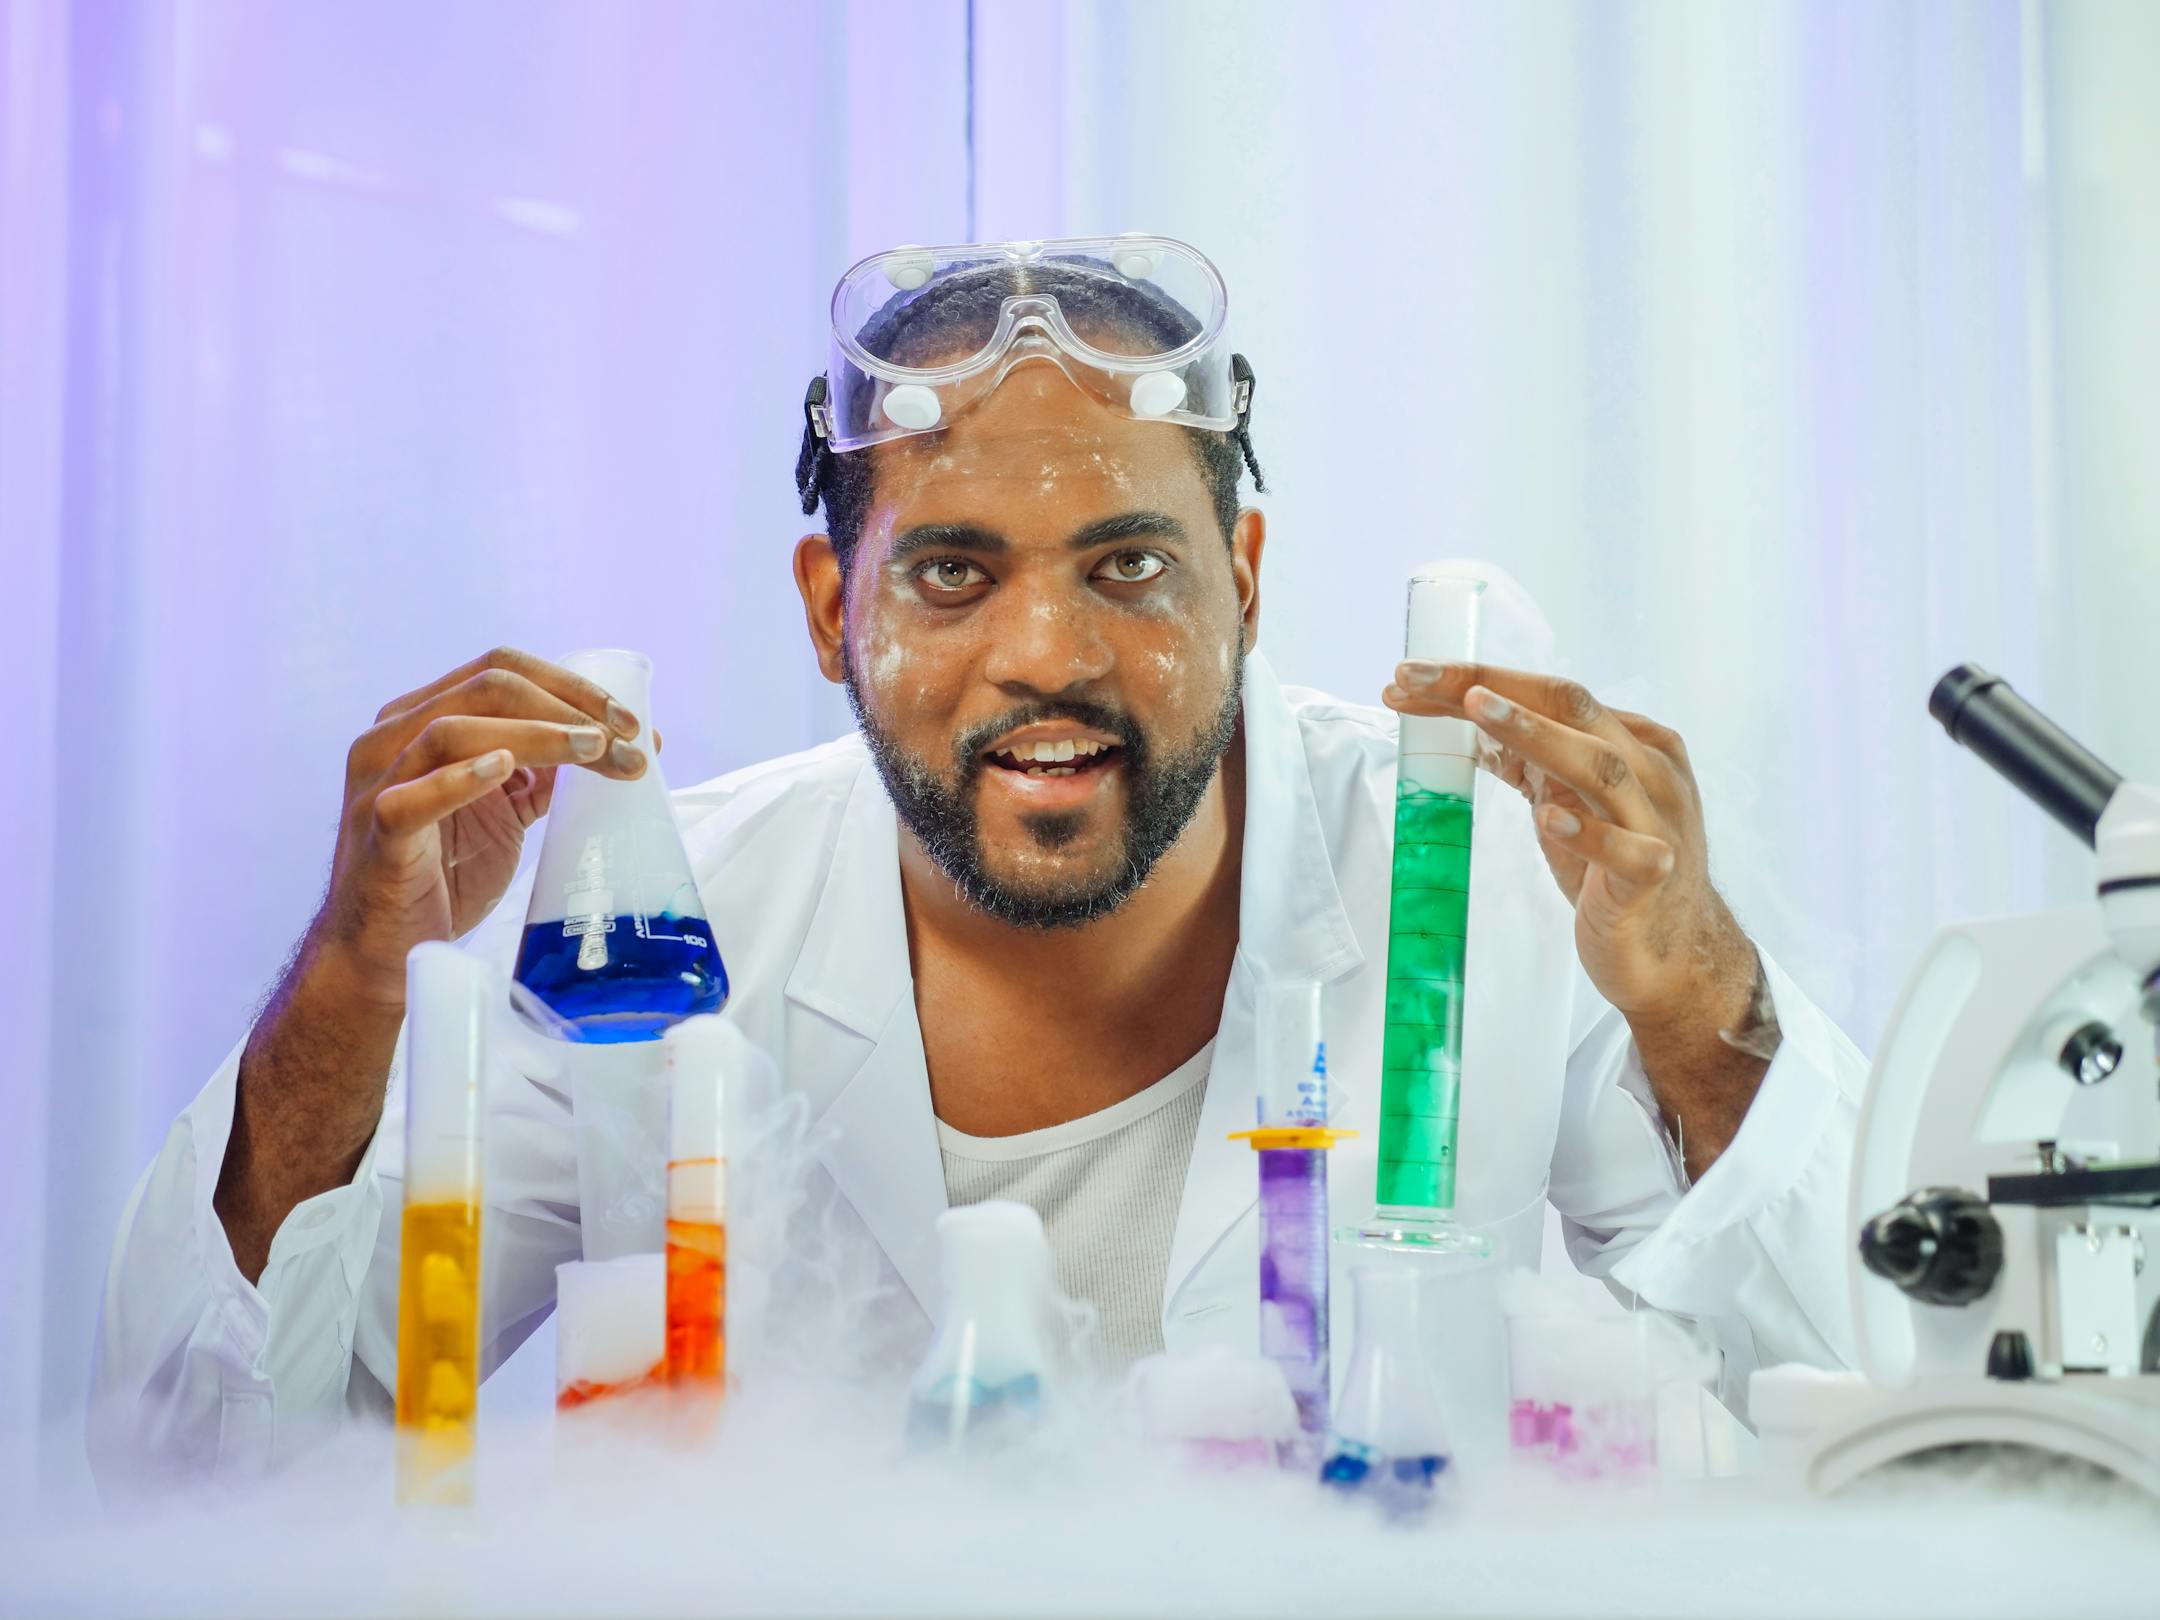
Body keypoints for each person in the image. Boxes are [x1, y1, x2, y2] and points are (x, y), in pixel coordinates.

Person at [91, 236, 1863, 1484]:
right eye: (950, 572)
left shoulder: (1462, 887)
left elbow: (1863, 1412)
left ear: (1244, 576)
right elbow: (214, 1459)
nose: (1048, 656)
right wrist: (357, 976)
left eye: (1131, 566)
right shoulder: (663, 926)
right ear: (826, 608)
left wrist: (1701, 1011)